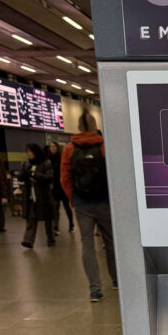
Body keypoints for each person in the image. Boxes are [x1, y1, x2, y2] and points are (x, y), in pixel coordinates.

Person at [61, 129, 118, 302]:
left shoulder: (69, 148)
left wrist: (73, 198)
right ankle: (116, 279)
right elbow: (114, 174)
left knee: (87, 244)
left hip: (82, 203)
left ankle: (95, 289)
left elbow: (64, 177)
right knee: (110, 242)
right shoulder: (103, 145)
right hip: (104, 201)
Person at [19, 143, 56, 248]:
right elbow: (20, 177)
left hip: (43, 195)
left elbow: (49, 177)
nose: (28, 154)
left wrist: (35, 174)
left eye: (30, 151)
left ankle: (51, 238)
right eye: (27, 152)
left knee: (48, 218)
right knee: (31, 218)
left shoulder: (45, 163)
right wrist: (24, 174)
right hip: (30, 196)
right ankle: (28, 240)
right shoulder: (25, 163)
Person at [46, 140, 74, 234]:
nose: (52, 148)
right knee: (55, 207)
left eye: (54, 146)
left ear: (57, 147)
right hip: (54, 186)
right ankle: (56, 227)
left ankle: (71, 224)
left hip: (62, 184)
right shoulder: (48, 159)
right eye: (51, 146)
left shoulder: (62, 158)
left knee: (66, 206)